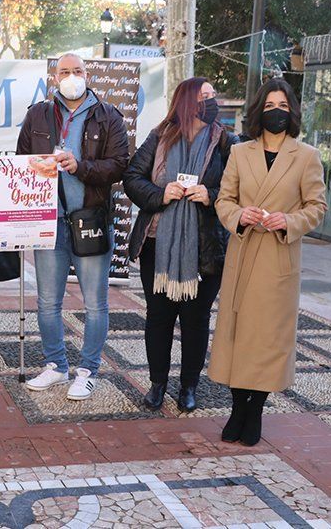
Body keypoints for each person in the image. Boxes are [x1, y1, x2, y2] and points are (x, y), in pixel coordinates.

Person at [209, 78, 327, 446]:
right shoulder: (240, 152)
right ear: (259, 110)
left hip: (278, 258)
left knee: (268, 339)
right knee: (237, 335)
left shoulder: (306, 155)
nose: (277, 111)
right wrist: (240, 216)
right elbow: (223, 200)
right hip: (243, 254)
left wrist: (288, 222)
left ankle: (255, 410)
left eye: (283, 105)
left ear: (292, 111)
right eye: (270, 104)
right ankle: (236, 408)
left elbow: (317, 207)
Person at [16, 53, 129, 401]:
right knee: (48, 301)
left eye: (77, 71)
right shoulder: (38, 113)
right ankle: (56, 365)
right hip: (47, 222)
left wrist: (80, 166)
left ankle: (87, 370)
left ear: (87, 74)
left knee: (95, 304)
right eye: (64, 72)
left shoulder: (108, 116)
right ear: (55, 77)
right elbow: (22, 161)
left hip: (91, 219)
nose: (71, 76)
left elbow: (119, 166)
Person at [123, 77, 238, 412]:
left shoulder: (225, 141)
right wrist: (161, 194)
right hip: (157, 244)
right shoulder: (161, 135)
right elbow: (132, 178)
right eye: (205, 96)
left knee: (195, 319)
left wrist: (211, 195)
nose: (212, 101)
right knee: (158, 317)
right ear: (188, 101)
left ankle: (189, 386)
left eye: (213, 96)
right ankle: (157, 383)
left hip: (204, 247)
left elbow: (240, 188)